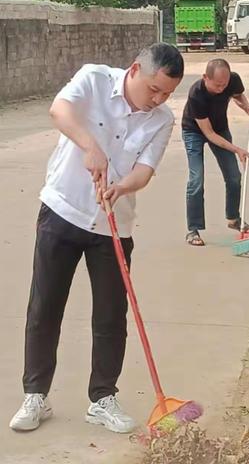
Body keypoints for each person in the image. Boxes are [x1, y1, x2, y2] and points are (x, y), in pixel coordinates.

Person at [9, 43, 184, 433]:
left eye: (166, 94)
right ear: (135, 70)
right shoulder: (93, 79)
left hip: (113, 227)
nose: (157, 99)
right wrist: (91, 146)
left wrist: (122, 188)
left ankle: (102, 398)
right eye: (154, 89)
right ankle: (35, 394)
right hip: (63, 210)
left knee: (110, 316)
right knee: (45, 307)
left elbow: (145, 170)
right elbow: (59, 111)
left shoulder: (162, 119)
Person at [182, 58, 249, 246]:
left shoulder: (232, 80)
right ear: (205, 78)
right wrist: (237, 149)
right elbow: (208, 134)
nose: (221, 89)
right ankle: (193, 229)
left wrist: (246, 107)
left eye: (224, 85)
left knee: (234, 176)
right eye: (217, 85)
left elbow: (238, 95)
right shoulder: (196, 94)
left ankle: (233, 218)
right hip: (194, 131)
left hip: (220, 128)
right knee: (196, 179)